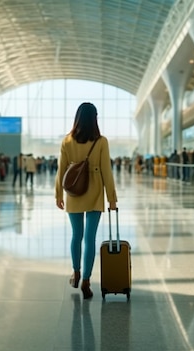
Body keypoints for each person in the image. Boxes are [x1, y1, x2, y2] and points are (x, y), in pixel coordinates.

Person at [55, 102, 117, 300]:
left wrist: (58, 194)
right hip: (95, 192)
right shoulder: (101, 141)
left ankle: (76, 271)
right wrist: (112, 199)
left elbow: (61, 170)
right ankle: (87, 281)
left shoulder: (67, 141)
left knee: (76, 235)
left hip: (73, 191)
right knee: (90, 238)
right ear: (94, 118)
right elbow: (106, 171)